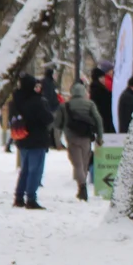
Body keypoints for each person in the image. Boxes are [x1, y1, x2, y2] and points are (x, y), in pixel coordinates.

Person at [10, 74, 54, 209]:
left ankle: (18, 196)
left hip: (22, 138)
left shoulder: (16, 100)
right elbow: (47, 118)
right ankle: (31, 198)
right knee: (35, 170)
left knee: (25, 170)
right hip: (37, 139)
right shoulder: (37, 101)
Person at [54, 82, 104, 201]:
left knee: (77, 164)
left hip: (71, 138)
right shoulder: (90, 104)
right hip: (86, 137)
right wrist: (100, 137)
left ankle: (82, 187)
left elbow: (57, 126)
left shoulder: (64, 106)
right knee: (84, 163)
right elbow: (98, 120)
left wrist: (57, 142)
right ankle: (82, 186)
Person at [89, 64, 115, 133]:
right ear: (98, 78)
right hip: (104, 119)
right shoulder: (99, 89)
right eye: (102, 77)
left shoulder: (95, 88)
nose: (104, 79)